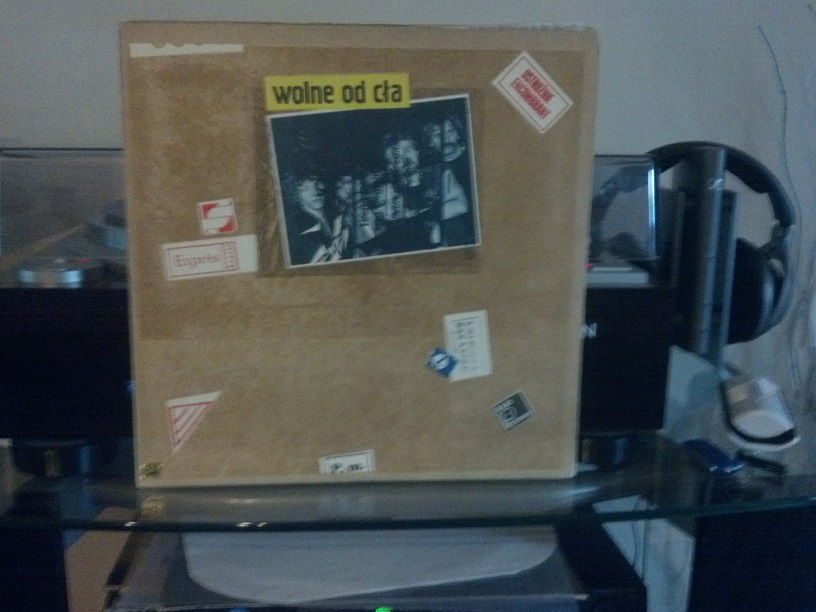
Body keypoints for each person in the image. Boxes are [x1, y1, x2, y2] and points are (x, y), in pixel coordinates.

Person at [284, 172, 348, 265]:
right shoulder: (294, 228)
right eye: (306, 188)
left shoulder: (338, 216)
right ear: (295, 193)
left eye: (317, 183)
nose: (315, 192)